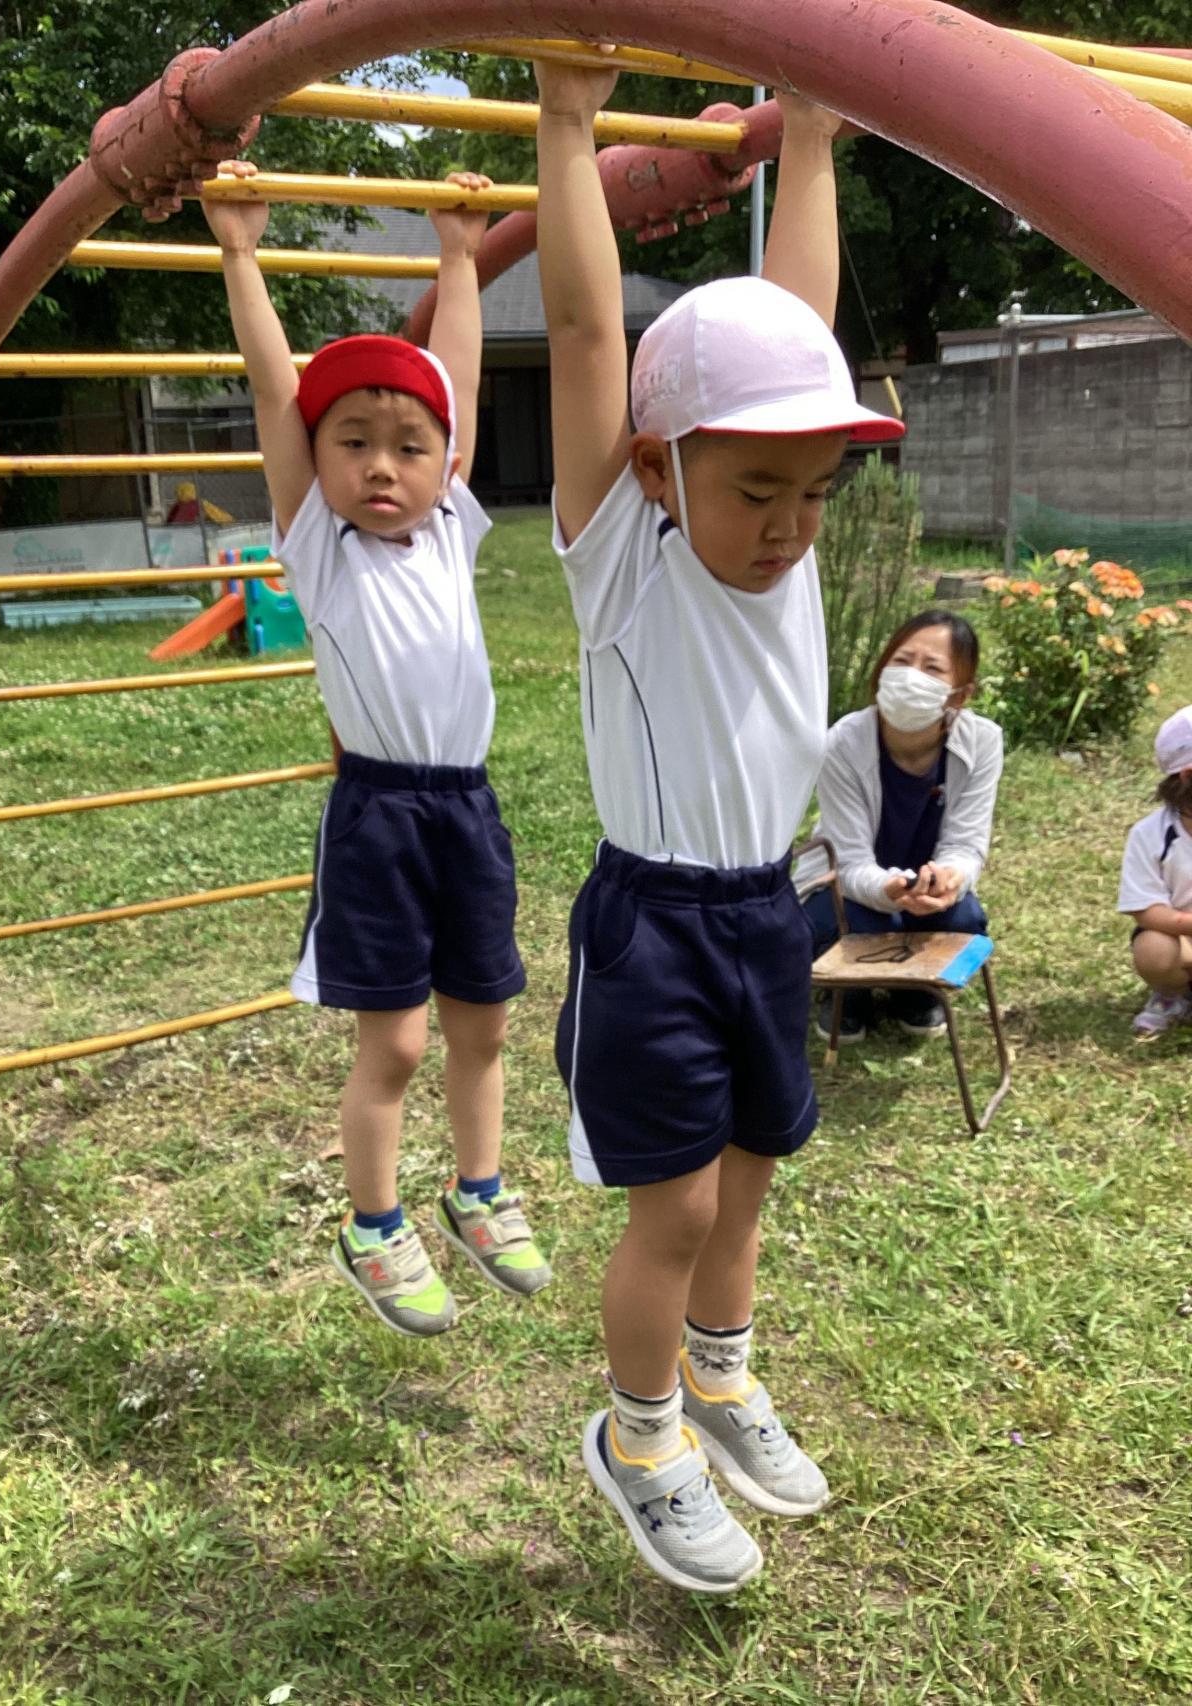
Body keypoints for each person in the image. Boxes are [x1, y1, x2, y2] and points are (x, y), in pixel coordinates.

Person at [535, 58, 904, 1594]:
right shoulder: (624, 550)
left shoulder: (781, 544)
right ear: (656, 470)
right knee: (676, 1201)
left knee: (751, 1170)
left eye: (816, 491)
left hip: (768, 907)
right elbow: (583, 333)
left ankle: (722, 1372)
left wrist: (808, 136)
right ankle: (638, 1438)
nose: (792, 524)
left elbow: (796, 323)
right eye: (760, 488)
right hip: (655, 926)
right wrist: (568, 120)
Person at [201, 163, 550, 1337]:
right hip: (381, 816)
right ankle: (371, 1222)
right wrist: (241, 253)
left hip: (468, 807)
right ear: (320, 463)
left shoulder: (448, 528)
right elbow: (273, 391)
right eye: (352, 443)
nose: (383, 465)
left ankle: (479, 1191)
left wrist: (458, 256)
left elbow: (455, 380)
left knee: (483, 1019)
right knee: (394, 1040)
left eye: (408, 445)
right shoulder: (320, 544)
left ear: (444, 463)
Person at [802, 610, 1003, 1042]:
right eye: (901, 661)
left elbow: (967, 845)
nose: (911, 676)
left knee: (965, 917)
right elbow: (847, 862)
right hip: (851, 892)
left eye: (932, 668)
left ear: (960, 694)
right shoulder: (842, 742)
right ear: (881, 670)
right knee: (851, 921)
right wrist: (889, 890)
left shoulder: (982, 741)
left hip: (927, 893)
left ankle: (914, 992)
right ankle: (845, 994)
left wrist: (950, 880)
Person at [1119, 703, 1192, 1038]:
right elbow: (1146, 910)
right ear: (1186, 775)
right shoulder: (1150, 835)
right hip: (1183, 942)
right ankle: (1172, 994)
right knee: (1153, 949)